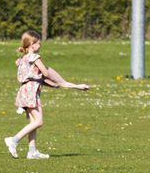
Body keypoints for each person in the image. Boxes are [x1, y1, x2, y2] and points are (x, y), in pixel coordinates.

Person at [6, 30, 89, 160]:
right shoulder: (35, 58)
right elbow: (45, 73)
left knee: (33, 123)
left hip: (25, 91)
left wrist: (66, 85)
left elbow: (34, 77)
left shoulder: (21, 59)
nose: (40, 45)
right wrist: (64, 83)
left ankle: (32, 151)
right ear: (33, 44)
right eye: (38, 43)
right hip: (31, 92)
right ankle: (14, 140)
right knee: (39, 121)